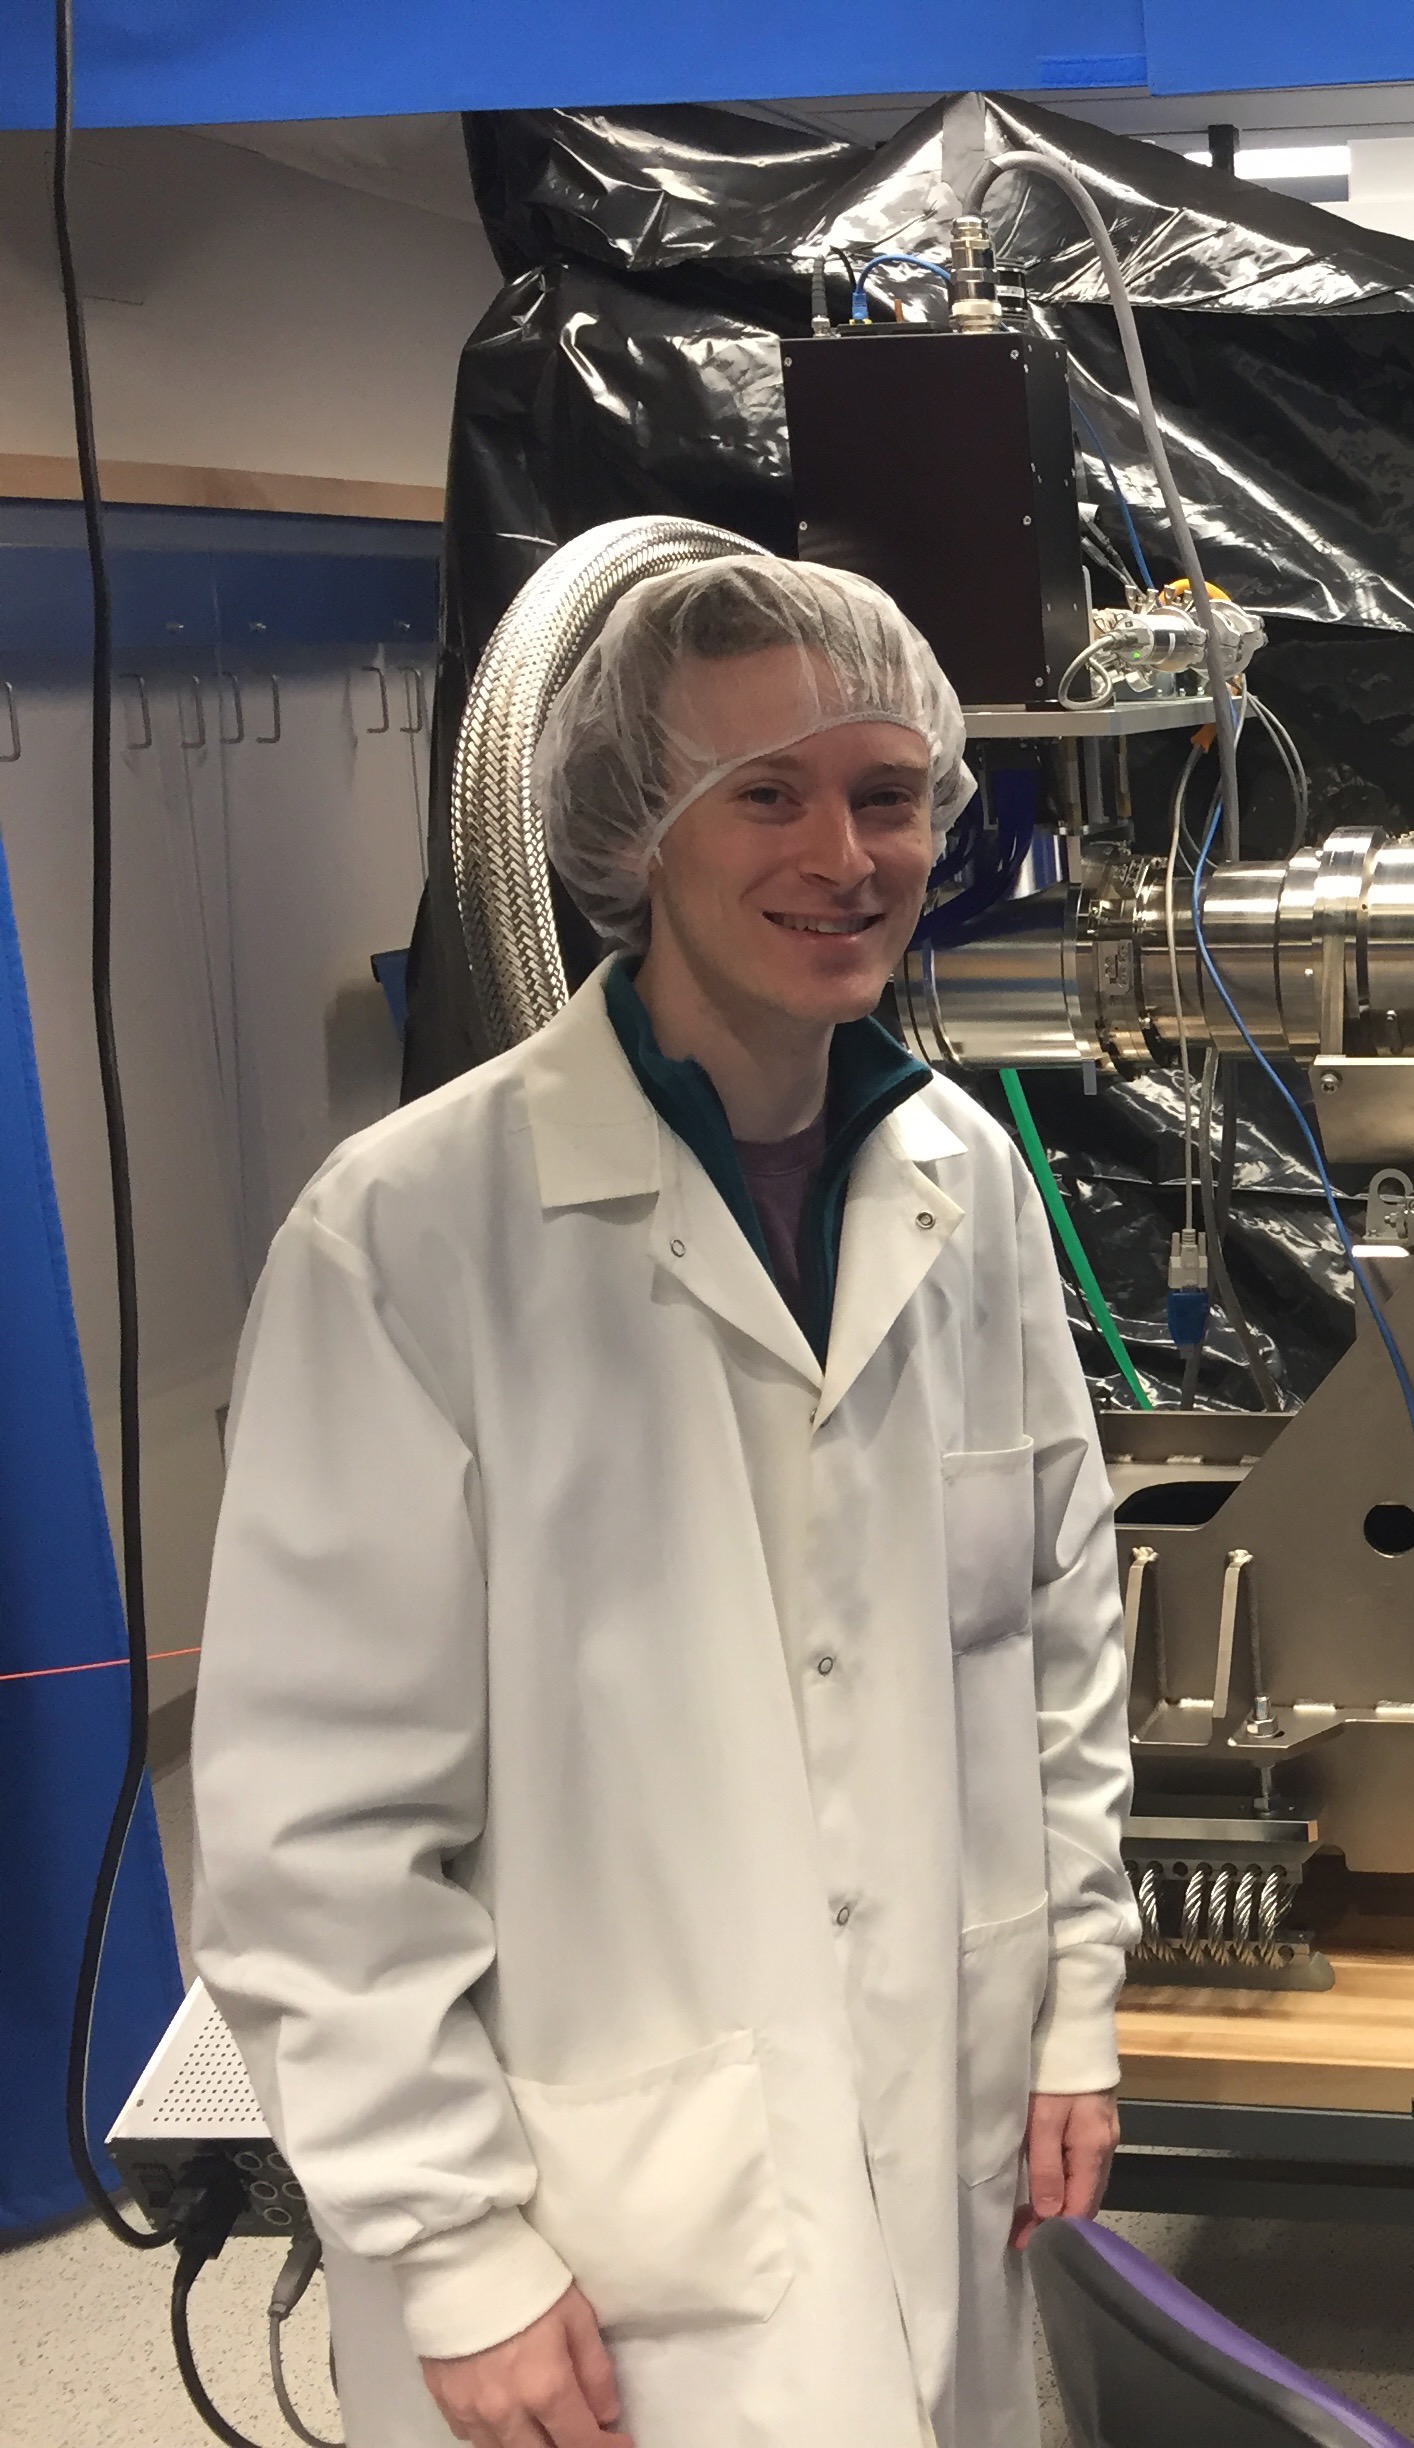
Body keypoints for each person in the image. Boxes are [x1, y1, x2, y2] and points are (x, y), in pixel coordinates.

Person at [191, 555, 1136, 2448]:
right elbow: (318, 1823)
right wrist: (452, 2243)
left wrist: (1073, 2007)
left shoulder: (962, 1179)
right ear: (641, 833)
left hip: (943, 2138)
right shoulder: (411, 1236)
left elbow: (1055, 1636)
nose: (843, 856)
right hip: (597, 2245)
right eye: (766, 794)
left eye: (886, 794)